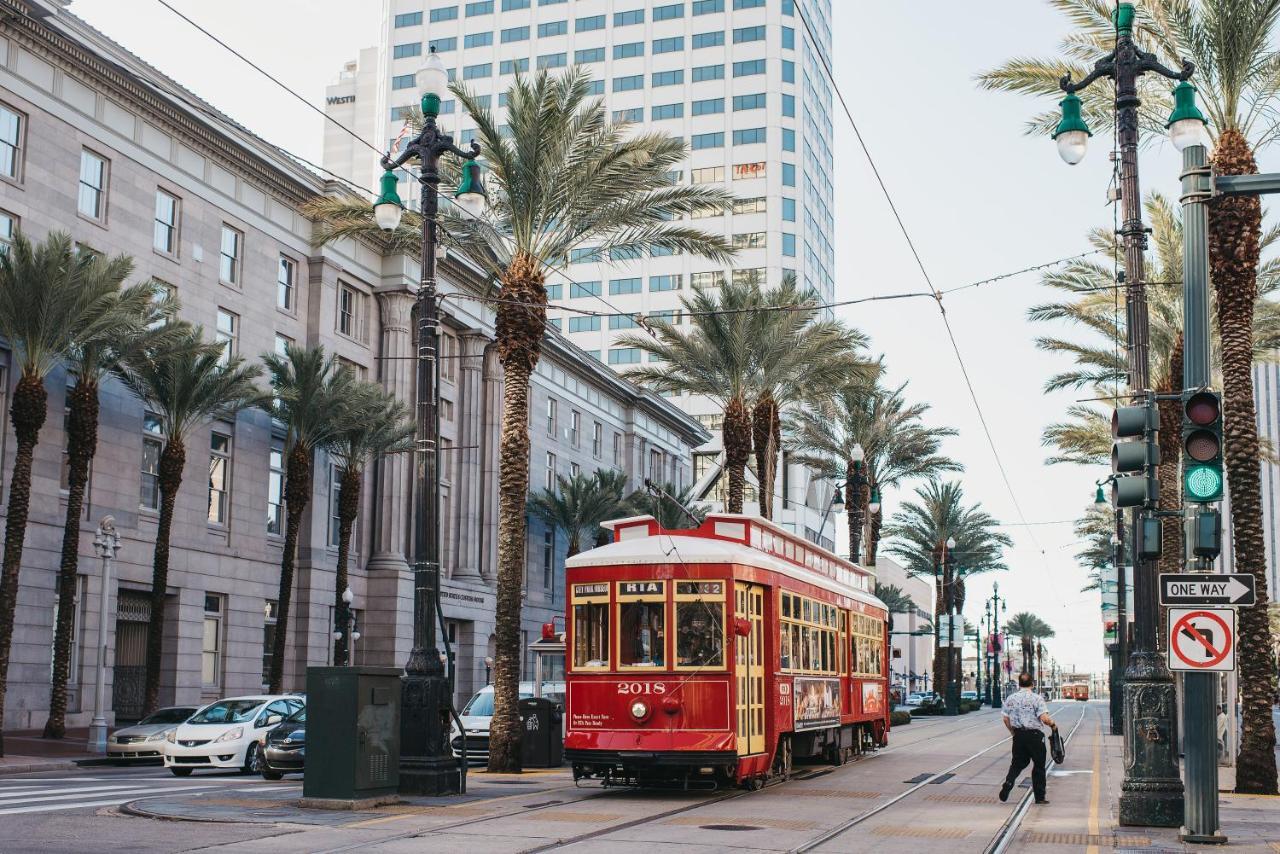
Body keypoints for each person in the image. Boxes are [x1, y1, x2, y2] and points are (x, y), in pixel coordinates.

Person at [999, 671, 1057, 805]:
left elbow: (1005, 719)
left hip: (1019, 735)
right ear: (1032, 683)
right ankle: (1040, 797)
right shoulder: (1036, 698)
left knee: (1017, 763)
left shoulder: (1011, 698)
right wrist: (1053, 725)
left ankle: (1009, 781)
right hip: (1034, 736)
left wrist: (1013, 733)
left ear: (1019, 684)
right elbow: (1043, 718)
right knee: (1039, 766)